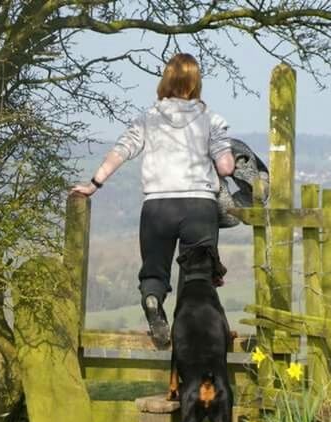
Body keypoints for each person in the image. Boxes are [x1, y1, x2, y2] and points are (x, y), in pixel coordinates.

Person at [72, 53, 235, 348]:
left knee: (155, 269)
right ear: (196, 82)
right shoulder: (211, 119)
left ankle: (152, 298)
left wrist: (94, 183)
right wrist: (224, 157)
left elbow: (121, 151)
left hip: (158, 207)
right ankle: (191, 331)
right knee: (197, 276)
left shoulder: (148, 119)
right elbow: (226, 167)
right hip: (198, 206)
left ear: (166, 80)